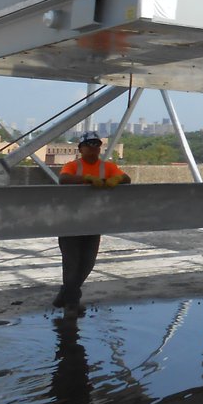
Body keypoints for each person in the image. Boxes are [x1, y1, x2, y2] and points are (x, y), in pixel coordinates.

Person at [54, 130, 131, 315]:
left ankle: (65, 295)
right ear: (81, 148)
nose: (93, 149)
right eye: (89, 145)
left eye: (96, 145)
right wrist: (86, 178)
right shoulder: (73, 166)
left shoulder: (107, 167)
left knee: (87, 264)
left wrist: (118, 178)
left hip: (94, 223)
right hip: (70, 223)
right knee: (72, 264)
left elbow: (126, 179)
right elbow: (63, 179)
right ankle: (72, 305)